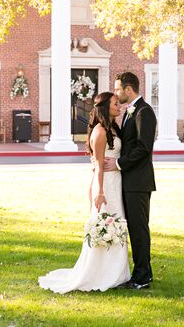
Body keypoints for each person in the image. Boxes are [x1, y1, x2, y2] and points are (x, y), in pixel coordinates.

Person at [38, 92, 130, 293]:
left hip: (115, 181)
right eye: (115, 104)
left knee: (117, 224)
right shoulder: (100, 132)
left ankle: (116, 272)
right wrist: (99, 193)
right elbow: (98, 165)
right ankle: (99, 273)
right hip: (105, 185)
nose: (119, 106)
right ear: (106, 107)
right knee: (106, 225)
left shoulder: (113, 128)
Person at [104, 72, 157, 290]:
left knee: (139, 229)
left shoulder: (144, 112)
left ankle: (142, 278)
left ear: (128, 89)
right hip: (128, 182)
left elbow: (143, 149)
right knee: (134, 229)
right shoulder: (129, 112)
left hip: (138, 182)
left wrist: (118, 164)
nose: (116, 93)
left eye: (118, 89)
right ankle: (144, 273)